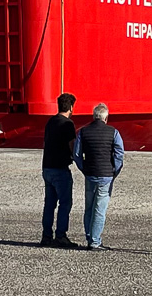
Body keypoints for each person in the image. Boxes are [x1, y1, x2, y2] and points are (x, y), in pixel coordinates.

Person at [72, 103, 123, 251]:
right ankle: (95, 241)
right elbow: (119, 155)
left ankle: (90, 237)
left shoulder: (83, 132)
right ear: (106, 118)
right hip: (106, 175)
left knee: (89, 207)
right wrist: (115, 172)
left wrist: (84, 169)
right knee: (99, 209)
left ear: (93, 117)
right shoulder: (113, 132)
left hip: (90, 174)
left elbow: (76, 155)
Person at [40, 92, 79, 249]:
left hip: (47, 167)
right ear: (70, 107)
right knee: (65, 203)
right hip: (60, 169)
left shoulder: (50, 121)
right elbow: (72, 145)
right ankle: (61, 235)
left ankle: (46, 236)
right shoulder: (67, 124)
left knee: (49, 204)